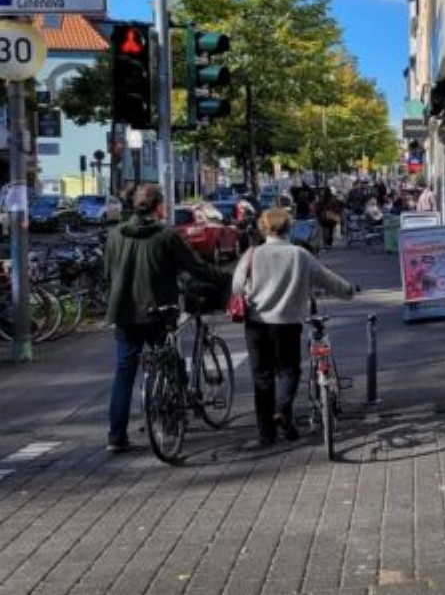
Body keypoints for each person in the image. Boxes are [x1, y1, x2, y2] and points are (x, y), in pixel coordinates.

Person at [104, 184, 222, 453]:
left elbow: (108, 273)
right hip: (158, 312)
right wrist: (224, 279)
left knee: (123, 374)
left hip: (124, 314)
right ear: (158, 206)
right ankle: (172, 422)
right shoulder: (166, 235)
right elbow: (195, 266)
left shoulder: (114, 235)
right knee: (171, 363)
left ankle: (116, 436)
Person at [232, 208, 356, 449]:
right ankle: (282, 412)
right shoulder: (300, 255)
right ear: (288, 228)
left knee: (262, 376)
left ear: (264, 229)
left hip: (256, 323)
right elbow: (326, 278)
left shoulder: (252, 254)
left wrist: (251, 292)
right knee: (289, 371)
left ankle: (266, 434)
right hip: (288, 323)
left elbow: (237, 286)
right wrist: (348, 291)